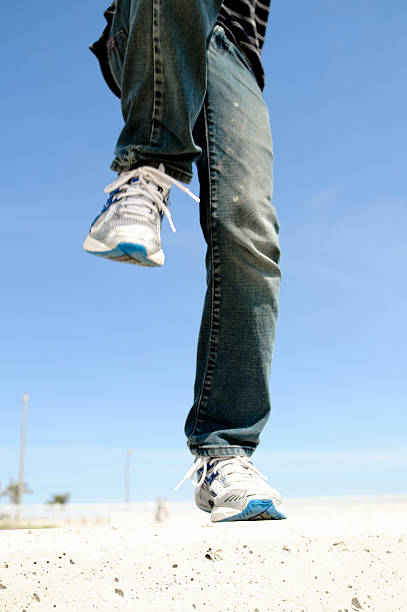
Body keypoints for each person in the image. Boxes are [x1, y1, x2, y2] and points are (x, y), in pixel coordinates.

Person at [85, 0, 286, 522]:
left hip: (236, 53)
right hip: (158, 21)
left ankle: (225, 453)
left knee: (250, 228)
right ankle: (147, 168)